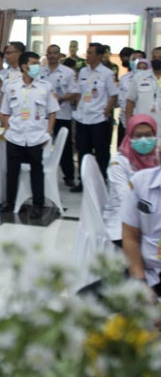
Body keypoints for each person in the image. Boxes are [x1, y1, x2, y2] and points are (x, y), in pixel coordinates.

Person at [0, 51, 59, 218]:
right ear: (24, 67)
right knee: (12, 171)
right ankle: (10, 202)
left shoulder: (45, 87)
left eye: (37, 63)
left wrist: (48, 133)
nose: (37, 67)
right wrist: (7, 130)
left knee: (36, 171)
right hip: (15, 135)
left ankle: (37, 204)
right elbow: (4, 112)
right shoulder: (11, 87)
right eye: (33, 63)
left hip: (36, 136)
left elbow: (52, 112)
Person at [103, 114, 158, 245]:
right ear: (129, 137)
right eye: (138, 136)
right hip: (122, 219)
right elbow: (126, 198)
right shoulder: (119, 163)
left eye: (149, 135)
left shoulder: (157, 157)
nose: (144, 140)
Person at [71, 43, 118, 191]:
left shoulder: (107, 73)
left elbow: (113, 95)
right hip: (82, 118)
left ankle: (100, 180)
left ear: (99, 55)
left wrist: (106, 112)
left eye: (91, 53)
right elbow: (79, 92)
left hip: (98, 119)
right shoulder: (83, 71)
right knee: (83, 151)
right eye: (87, 52)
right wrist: (77, 106)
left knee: (101, 151)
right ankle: (83, 181)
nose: (88, 55)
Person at [121, 154, 161, 297]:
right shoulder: (141, 183)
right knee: (83, 299)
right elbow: (130, 236)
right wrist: (140, 283)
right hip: (145, 271)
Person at [41, 44, 79, 187]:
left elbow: (75, 92)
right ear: (46, 54)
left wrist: (61, 98)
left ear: (59, 55)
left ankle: (69, 176)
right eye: (49, 53)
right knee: (42, 144)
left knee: (64, 146)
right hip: (43, 116)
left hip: (62, 114)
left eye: (55, 53)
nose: (52, 56)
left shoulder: (68, 72)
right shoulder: (40, 72)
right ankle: (41, 172)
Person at [125, 58, 161, 134]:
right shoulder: (139, 77)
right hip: (143, 127)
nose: (156, 59)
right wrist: (128, 124)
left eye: (159, 56)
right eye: (154, 56)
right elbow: (130, 101)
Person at [117, 47, 136, 147]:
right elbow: (120, 99)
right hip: (124, 119)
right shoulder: (124, 79)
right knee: (123, 148)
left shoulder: (151, 79)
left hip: (142, 120)